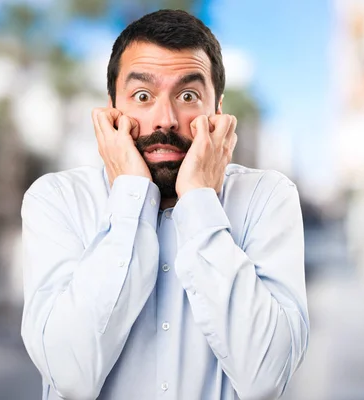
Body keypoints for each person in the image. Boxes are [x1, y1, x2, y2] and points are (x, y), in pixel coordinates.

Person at [21, 9, 309, 400]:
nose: (166, 119)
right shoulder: (56, 200)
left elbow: (266, 379)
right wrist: (130, 196)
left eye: (188, 95)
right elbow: (71, 375)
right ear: (111, 111)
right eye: (143, 96)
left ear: (217, 112)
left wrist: (199, 201)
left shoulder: (266, 198)